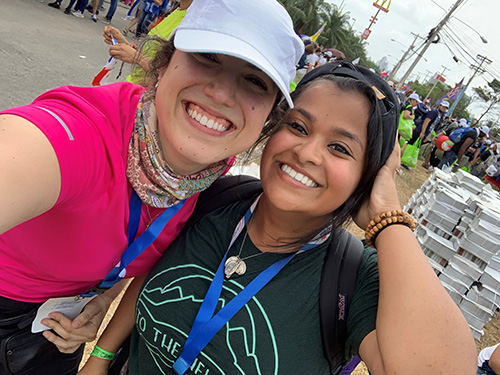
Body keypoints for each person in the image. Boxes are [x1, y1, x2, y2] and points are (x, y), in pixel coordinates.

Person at [79, 62, 476, 375]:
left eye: (339, 148)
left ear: (366, 175)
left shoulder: (357, 279)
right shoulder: (217, 196)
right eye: (298, 127)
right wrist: (99, 357)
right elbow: (157, 275)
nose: (306, 152)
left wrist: (388, 221)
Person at [0, 0, 304, 373]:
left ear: (268, 121)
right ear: (164, 64)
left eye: (255, 81)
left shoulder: (205, 179)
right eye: (207, 56)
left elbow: (142, 243)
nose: (222, 94)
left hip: (53, 334)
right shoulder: (84, 136)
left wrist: (102, 297)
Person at [103, 0, 192, 85]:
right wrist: (122, 43)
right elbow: (151, 55)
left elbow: (172, 82)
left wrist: (137, 58)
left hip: (145, 96)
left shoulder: (191, 24)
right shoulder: (177, 11)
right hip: (132, 87)